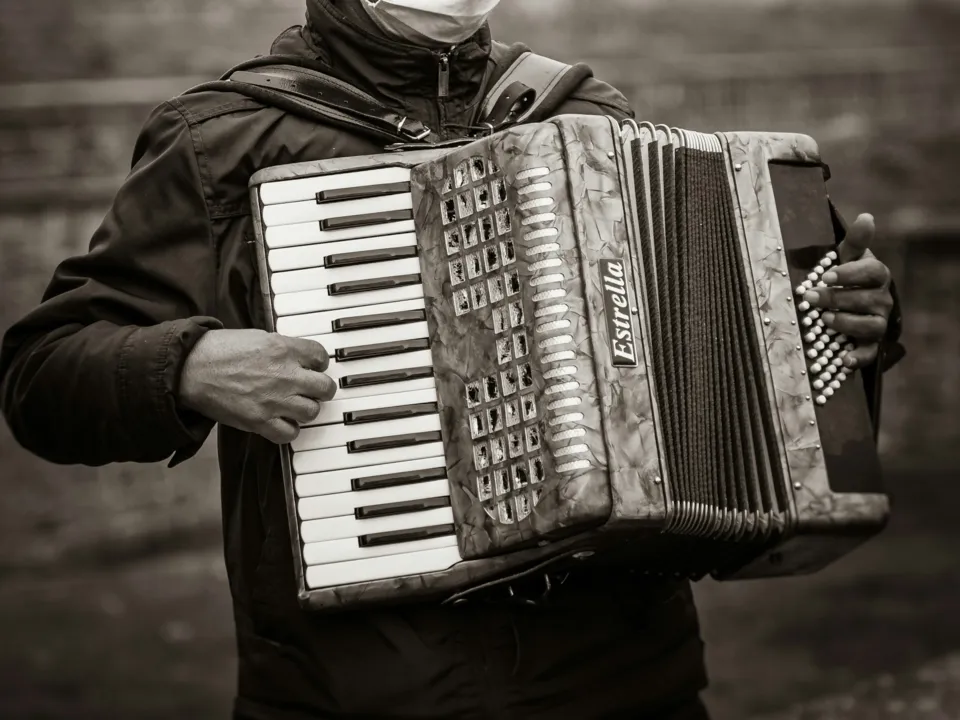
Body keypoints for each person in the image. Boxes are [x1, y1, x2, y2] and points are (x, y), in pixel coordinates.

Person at [0, 1, 902, 718]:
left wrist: (836, 329)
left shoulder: (584, 116)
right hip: (365, 693)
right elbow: (44, 372)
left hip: (632, 679)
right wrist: (188, 366)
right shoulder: (221, 141)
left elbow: (722, 363)